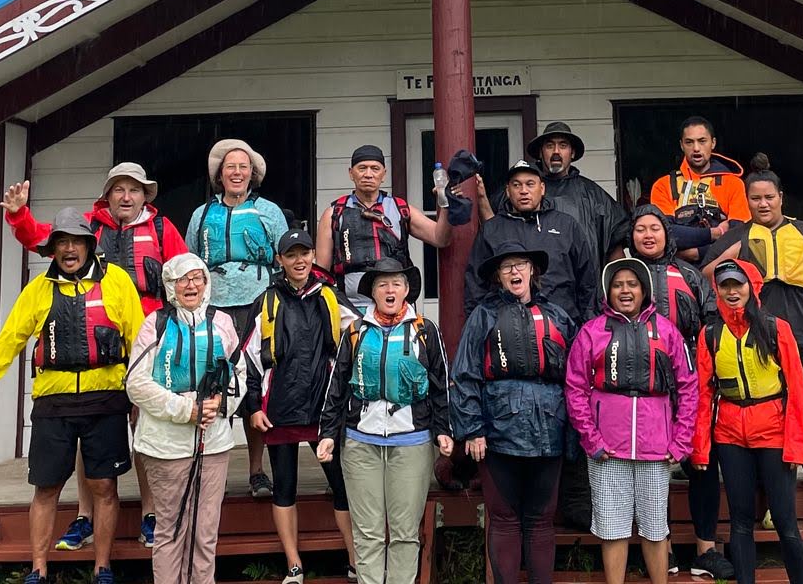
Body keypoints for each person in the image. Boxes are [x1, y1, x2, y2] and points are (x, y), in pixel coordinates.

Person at [0, 208, 145, 584]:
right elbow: (6, 344)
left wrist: (142, 399)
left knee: (104, 486)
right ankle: (38, 569)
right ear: (53, 250)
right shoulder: (37, 291)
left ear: (89, 245)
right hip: (54, 403)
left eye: (76, 242)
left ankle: (102, 567)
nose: (69, 249)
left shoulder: (116, 281)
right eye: (61, 243)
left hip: (106, 401)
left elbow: (140, 342)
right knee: (46, 487)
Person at [2, 162, 187, 547]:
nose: (126, 196)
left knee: (146, 426)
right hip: (97, 347)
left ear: (144, 196)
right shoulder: (89, 227)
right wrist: (19, 214)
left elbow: (185, 272)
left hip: (149, 340)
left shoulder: (160, 228)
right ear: (108, 195)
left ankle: (151, 513)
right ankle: (85, 517)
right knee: (92, 429)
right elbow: (39, 238)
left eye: (134, 190)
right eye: (118, 189)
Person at [704, 153, 803, 527]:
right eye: (755, 198)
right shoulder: (739, 236)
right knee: (774, 423)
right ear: (747, 201)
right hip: (762, 345)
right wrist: (732, 255)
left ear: (781, 197)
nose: (763, 204)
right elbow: (706, 273)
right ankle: (775, 503)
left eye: (769, 197)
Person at [317, 258, 454, 584]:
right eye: (382, 284)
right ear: (372, 293)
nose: (389, 289)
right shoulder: (355, 332)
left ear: (407, 290)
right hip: (361, 442)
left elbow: (442, 386)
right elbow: (336, 385)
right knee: (368, 534)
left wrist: (443, 430)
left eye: (396, 283)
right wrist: (328, 434)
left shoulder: (426, 331)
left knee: (406, 532)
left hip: (412, 442)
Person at [450, 239, 578, 584]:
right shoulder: (484, 316)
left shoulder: (557, 315)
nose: (515, 271)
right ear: (498, 277)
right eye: (507, 267)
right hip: (497, 432)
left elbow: (577, 377)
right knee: (505, 518)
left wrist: (575, 431)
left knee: (541, 518)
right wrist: (472, 428)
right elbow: (464, 374)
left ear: (532, 270)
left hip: (550, 428)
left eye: (520, 264)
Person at [565, 258, 697, 584]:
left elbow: (689, 387)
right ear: (608, 291)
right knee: (613, 529)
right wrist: (591, 439)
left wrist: (681, 440)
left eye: (632, 284)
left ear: (644, 290)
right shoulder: (591, 332)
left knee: (654, 528)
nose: (625, 290)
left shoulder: (667, 331)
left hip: (657, 446)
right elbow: (575, 388)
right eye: (618, 284)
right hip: (607, 449)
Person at [240, 230, 359, 584]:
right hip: (280, 408)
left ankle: (355, 559)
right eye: (290, 255)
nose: (299, 261)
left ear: (312, 256)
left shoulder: (328, 295)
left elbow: (360, 336)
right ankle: (294, 564)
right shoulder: (267, 300)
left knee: (341, 485)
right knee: (285, 487)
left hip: (323, 408)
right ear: (279, 260)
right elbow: (247, 358)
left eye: (304, 253)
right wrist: (252, 407)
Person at [621, 206, 727, 580]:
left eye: (655, 228)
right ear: (630, 236)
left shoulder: (689, 274)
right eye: (639, 229)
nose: (647, 235)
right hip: (643, 386)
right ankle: (659, 546)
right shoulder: (623, 278)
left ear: (668, 234)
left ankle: (706, 548)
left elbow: (712, 321)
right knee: (653, 467)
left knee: (702, 462)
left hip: (690, 380)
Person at [126, 254, 245, 584]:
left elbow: (239, 372)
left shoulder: (222, 322)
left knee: (205, 534)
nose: (191, 285)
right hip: (165, 447)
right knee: (171, 531)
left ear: (207, 283)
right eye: (182, 279)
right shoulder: (156, 324)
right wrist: (185, 410)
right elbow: (136, 384)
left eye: (198, 278)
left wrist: (221, 402)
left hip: (214, 444)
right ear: (170, 286)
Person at [693, 258, 803, 584]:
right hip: (730, 435)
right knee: (740, 522)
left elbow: (797, 390)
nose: (732, 292)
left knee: (786, 522)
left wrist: (797, 446)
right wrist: (700, 448)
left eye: (738, 284)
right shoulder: (711, 335)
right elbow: (703, 395)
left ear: (752, 286)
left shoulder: (776, 328)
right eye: (725, 285)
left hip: (773, 432)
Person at [182, 138, 288, 498]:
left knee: (255, 382)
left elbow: (283, 259)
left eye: (244, 166)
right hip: (215, 307)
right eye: (230, 167)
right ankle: (215, 469)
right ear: (220, 175)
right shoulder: (200, 215)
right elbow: (190, 262)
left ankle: (257, 471)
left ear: (253, 173)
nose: (237, 172)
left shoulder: (269, 211)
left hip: (258, 304)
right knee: (215, 383)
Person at [316, 144, 459, 313]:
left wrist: (447, 203)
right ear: (351, 173)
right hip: (348, 307)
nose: (368, 174)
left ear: (383, 174)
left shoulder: (400, 209)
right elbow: (321, 274)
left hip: (396, 304)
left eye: (375, 169)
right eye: (362, 168)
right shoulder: (334, 213)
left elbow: (440, 238)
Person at [467, 159, 599, 325]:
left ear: (542, 188)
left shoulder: (566, 225)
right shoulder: (492, 230)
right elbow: (475, 286)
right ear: (507, 191)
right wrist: (479, 328)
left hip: (562, 327)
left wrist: (588, 328)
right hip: (507, 330)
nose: (524, 191)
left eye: (530, 184)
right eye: (516, 185)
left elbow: (587, 282)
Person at [499, 121, 622, 259]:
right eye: (550, 146)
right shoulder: (518, 190)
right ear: (540, 152)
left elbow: (615, 242)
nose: (556, 151)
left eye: (563, 145)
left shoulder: (593, 195)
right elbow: (494, 230)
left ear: (572, 153)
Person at [647, 116, 751, 257]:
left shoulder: (733, 183)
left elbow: (739, 236)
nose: (696, 148)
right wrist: (714, 233)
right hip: (676, 266)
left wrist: (696, 252)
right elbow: (664, 234)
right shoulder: (663, 185)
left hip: (720, 265)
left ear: (713, 143)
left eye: (702, 141)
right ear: (681, 145)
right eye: (689, 142)